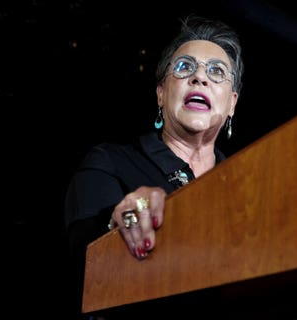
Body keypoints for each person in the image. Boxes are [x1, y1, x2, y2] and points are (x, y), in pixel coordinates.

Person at [63, 13, 244, 318]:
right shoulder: (110, 161)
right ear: (161, 94)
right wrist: (116, 223)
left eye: (216, 72)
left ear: (232, 104)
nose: (199, 78)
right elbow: (80, 256)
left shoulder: (247, 184)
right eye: (185, 67)